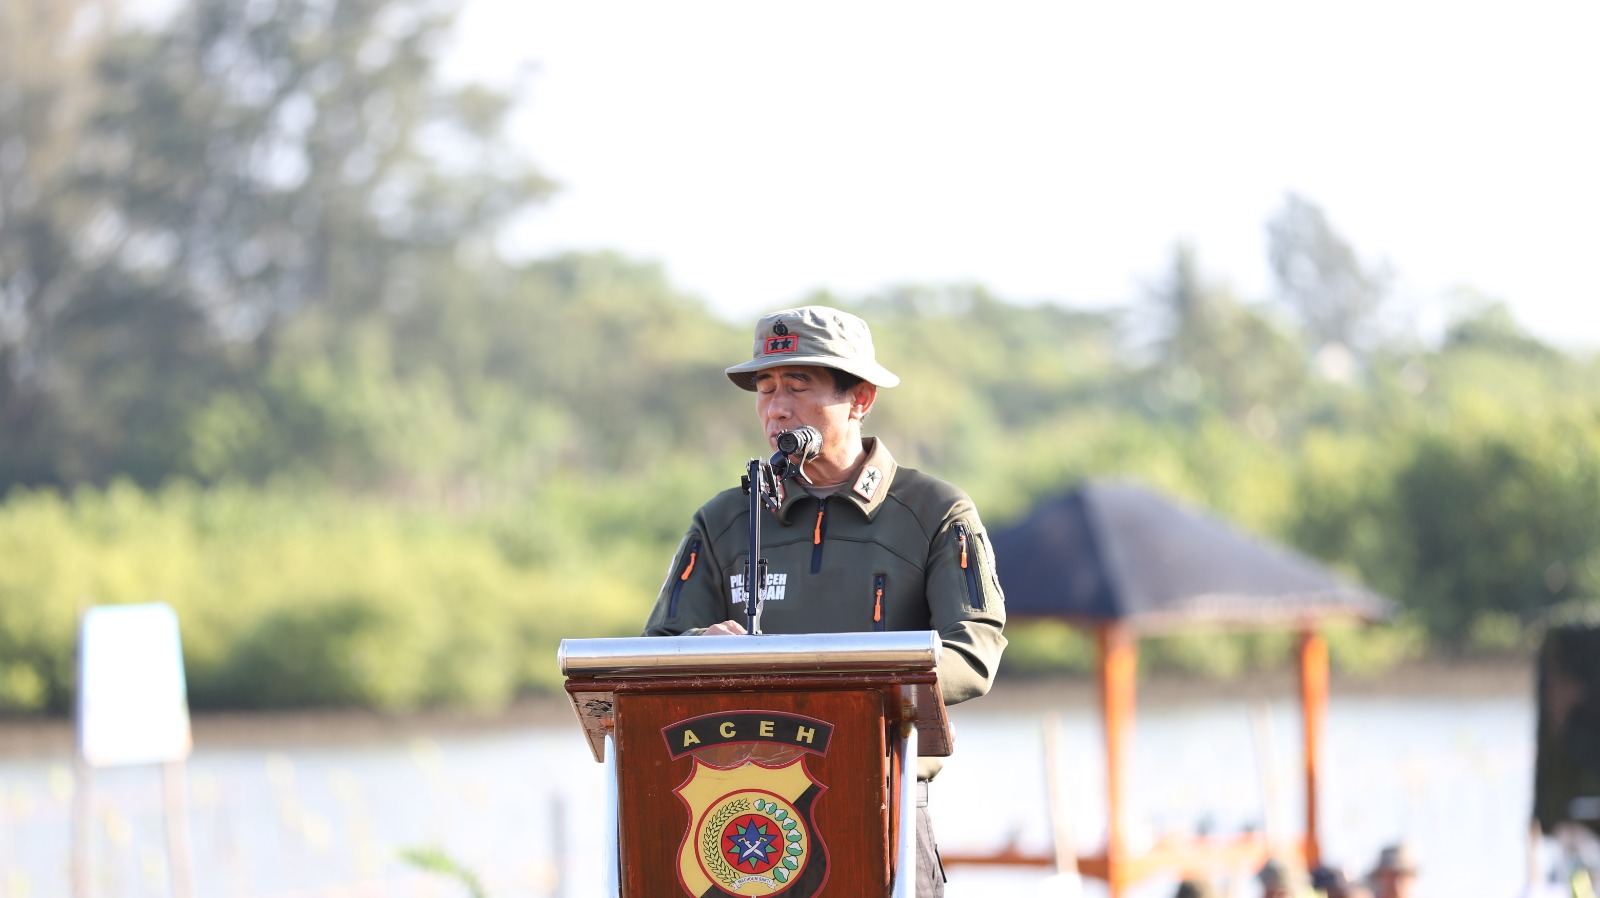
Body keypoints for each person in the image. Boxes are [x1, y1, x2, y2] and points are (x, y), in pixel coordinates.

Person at [642, 305, 1009, 898]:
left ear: (860, 398)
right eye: (765, 388)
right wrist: (698, 648)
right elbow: (655, 653)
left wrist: (856, 693)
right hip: (743, 814)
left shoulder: (936, 511)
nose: (776, 408)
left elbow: (975, 652)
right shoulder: (724, 520)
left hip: (882, 804)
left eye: (798, 385)